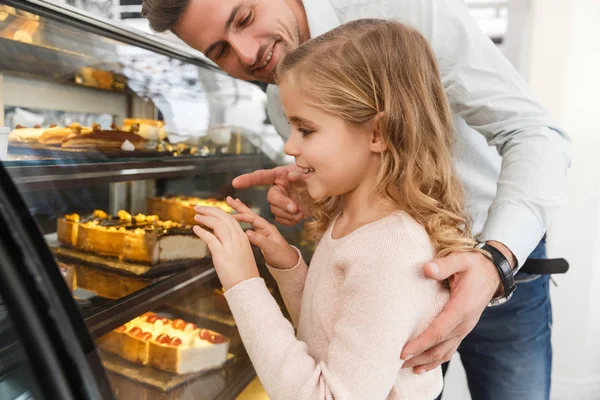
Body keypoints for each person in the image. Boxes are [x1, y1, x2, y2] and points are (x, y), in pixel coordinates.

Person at [142, 0, 570, 398]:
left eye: (244, 17)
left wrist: (496, 258)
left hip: (500, 263)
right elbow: (332, 325)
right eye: (220, 51)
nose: (247, 53)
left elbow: (533, 134)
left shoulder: (408, 11)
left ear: (378, 131)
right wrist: (310, 212)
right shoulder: (280, 95)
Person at [193, 19, 486, 398]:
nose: (290, 147)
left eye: (306, 129)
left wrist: (244, 284)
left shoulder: (391, 253)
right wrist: (287, 265)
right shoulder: (352, 222)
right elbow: (324, 335)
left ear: (377, 133)